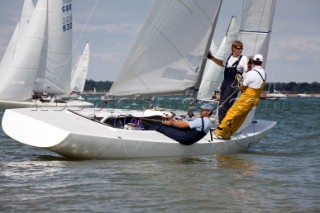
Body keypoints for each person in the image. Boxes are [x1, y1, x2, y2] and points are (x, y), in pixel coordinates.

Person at [213, 54, 266, 140]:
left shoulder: (251, 73)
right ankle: (227, 134)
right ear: (261, 62)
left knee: (231, 114)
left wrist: (237, 87)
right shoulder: (263, 73)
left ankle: (219, 132)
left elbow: (242, 87)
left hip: (246, 99)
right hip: (254, 100)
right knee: (240, 118)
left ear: (253, 62)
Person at [207, 40, 248, 123]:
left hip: (233, 85)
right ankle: (223, 125)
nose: (240, 50)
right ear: (233, 48)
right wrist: (211, 58)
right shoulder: (228, 57)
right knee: (221, 104)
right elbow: (222, 64)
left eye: (241, 49)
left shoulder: (243, 58)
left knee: (223, 106)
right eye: (238, 48)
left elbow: (246, 71)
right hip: (225, 83)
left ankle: (223, 128)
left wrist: (244, 84)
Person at [146, 104, 213, 145]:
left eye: (203, 110)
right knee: (171, 126)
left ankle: (144, 134)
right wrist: (174, 121)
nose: (201, 112)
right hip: (189, 140)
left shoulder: (201, 120)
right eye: (201, 110)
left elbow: (183, 125)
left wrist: (171, 122)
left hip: (185, 139)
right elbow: (186, 124)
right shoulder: (208, 122)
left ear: (209, 112)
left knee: (161, 126)